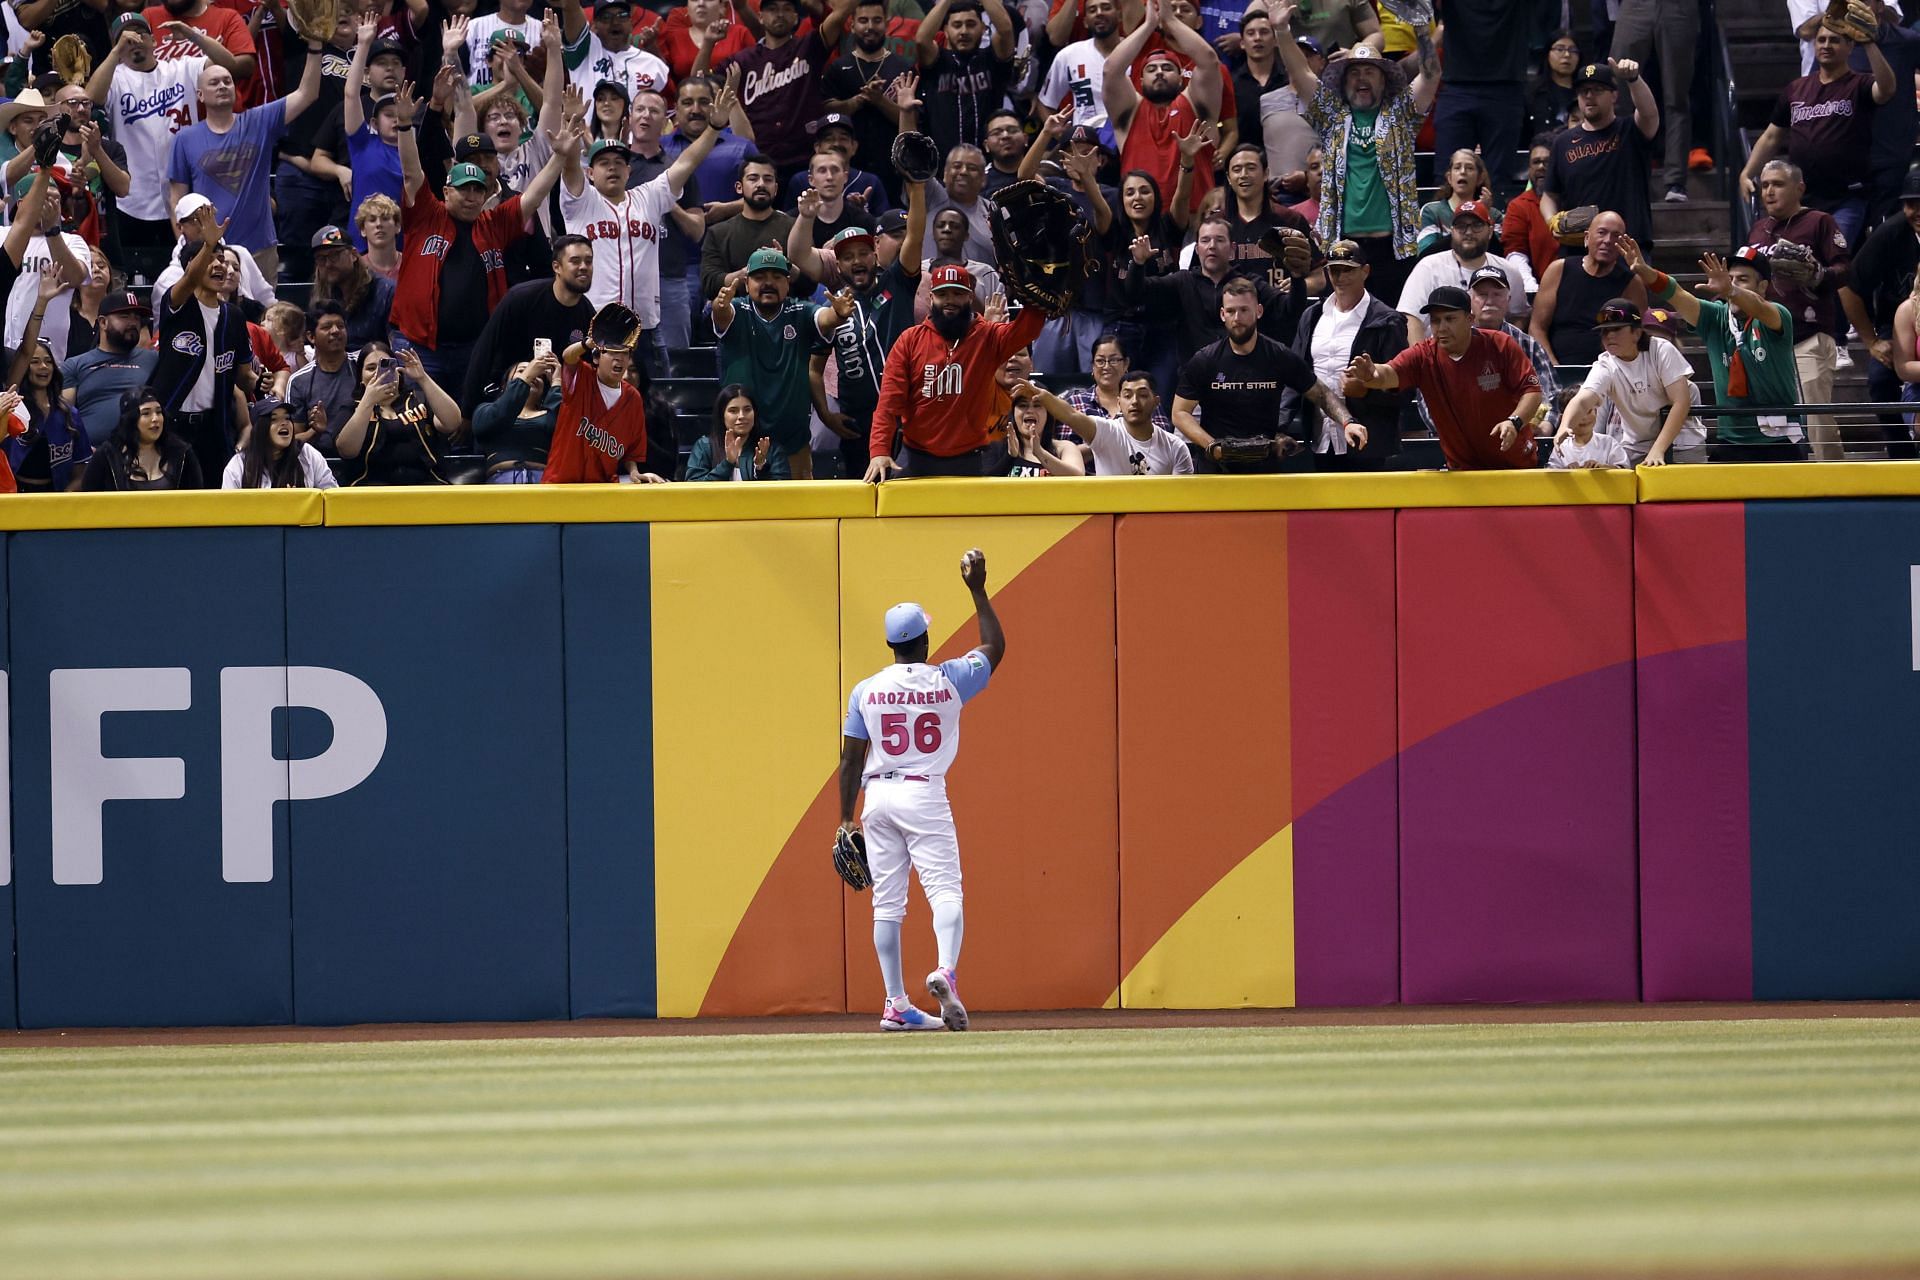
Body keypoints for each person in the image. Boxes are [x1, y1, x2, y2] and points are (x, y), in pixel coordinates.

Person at [837, 548, 1005, 1033]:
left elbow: (850, 759)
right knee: (945, 890)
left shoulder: (865, 690)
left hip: (877, 797)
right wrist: (977, 589)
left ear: (892, 645)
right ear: (926, 639)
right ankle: (945, 970)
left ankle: (895, 1003)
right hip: (923, 792)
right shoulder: (948, 679)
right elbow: (995, 647)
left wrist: (847, 817)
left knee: (887, 904)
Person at [392, 82, 569, 389]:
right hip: (420, 345)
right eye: (464, 190)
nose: (472, 197)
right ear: (447, 191)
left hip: (474, 348)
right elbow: (411, 172)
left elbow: (534, 196)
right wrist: (406, 126)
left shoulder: (492, 223)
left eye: (478, 190)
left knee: (465, 422)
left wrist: (560, 158)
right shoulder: (426, 215)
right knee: (418, 421)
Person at [560, 79, 740, 367]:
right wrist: (572, 120)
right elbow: (569, 166)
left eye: (619, 162)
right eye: (604, 163)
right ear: (590, 172)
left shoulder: (649, 197)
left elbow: (686, 162)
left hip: (646, 327)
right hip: (595, 323)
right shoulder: (581, 202)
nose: (612, 168)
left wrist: (714, 128)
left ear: (629, 170)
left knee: (655, 404)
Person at [1273, 0, 1439, 305]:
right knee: (1348, 327)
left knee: (1395, 327)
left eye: (1370, 72)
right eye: (1355, 72)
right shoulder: (1331, 115)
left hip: (1394, 247)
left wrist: (1421, 29)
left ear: (1383, 79)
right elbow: (1300, 73)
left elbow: (1430, 75)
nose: (1362, 78)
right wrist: (1282, 30)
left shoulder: (1401, 114)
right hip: (1344, 245)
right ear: (1344, 80)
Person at [166, 24, 326, 283]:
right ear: (200, 95)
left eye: (227, 81)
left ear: (236, 89)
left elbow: (307, 94)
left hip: (259, 248)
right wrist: (187, 246)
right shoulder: (185, 138)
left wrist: (316, 46)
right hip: (210, 250)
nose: (222, 86)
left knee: (262, 321)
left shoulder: (259, 122)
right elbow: (176, 200)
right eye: (214, 82)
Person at [1621, 239, 1807, 462]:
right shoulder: (1716, 317)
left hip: (1780, 441)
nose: (1733, 284)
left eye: (1743, 280)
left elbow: (1758, 307)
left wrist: (1731, 290)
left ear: (1763, 287)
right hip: (1731, 441)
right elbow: (1677, 295)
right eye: (1730, 279)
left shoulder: (1777, 314)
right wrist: (1647, 272)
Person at [86, 12, 234, 281]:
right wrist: (115, 52)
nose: (134, 41)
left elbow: (229, 64)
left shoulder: (181, 69)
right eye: (125, 38)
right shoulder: (116, 79)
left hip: (186, 192)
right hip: (134, 199)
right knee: (139, 278)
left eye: (140, 34)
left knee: (191, 270)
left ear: (154, 41)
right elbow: (90, 98)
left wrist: (192, 34)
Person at [868, 266, 1047, 479]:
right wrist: (879, 451)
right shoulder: (909, 341)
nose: (950, 300)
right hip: (916, 455)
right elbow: (888, 403)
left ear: (970, 297)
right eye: (942, 294)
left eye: (958, 293)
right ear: (931, 297)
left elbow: (1029, 329)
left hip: (970, 457)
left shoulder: (987, 336)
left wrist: (1038, 283)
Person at [1345, 285, 1543, 471]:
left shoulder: (1500, 345)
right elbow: (1388, 374)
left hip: (1516, 465)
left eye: (1450, 319)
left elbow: (1532, 391)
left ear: (1470, 319)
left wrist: (1514, 422)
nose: (1441, 328)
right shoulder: (1423, 355)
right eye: (1435, 320)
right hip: (1461, 472)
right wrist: (1371, 375)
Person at [1740, 14, 1895, 250]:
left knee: (1829, 258)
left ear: (1849, 46)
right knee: (1796, 263)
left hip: (1847, 197)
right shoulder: (1796, 89)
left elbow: (1886, 89)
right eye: (1821, 40)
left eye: (1834, 40)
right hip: (1801, 198)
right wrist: (1746, 173)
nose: (1826, 45)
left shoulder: (1859, 84)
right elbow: (1772, 136)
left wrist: (1869, 43)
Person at [1171, 276, 1355, 472]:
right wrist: (1212, 446)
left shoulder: (1279, 355)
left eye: (1244, 310)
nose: (1237, 318)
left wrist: (1348, 422)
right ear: (1222, 314)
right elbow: (1179, 413)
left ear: (1258, 311)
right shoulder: (1205, 360)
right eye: (1231, 311)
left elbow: (1321, 393)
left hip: (1264, 471)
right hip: (1215, 470)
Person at [808, 187, 926, 481]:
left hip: (907, 409)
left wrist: (918, 187)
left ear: (875, 253)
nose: (857, 260)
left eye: (863, 253)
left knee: (908, 489)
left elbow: (915, 235)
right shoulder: (831, 306)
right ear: (839, 264)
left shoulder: (897, 281)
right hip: (858, 421)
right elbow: (813, 368)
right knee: (864, 494)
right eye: (848, 256)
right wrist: (826, 416)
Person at [1747, 159, 1852, 461]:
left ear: (1799, 188)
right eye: (1765, 185)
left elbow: (1846, 269)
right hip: (1767, 340)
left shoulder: (1819, 221)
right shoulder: (1758, 229)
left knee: (1815, 420)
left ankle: (1834, 485)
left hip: (1808, 335)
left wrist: (1819, 274)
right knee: (1773, 422)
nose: (1768, 191)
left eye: (1777, 184)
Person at [153, 197, 254, 480]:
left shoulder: (233, 316)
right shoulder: (177, 303)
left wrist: (260, 381)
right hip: (172, 422)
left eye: (222, 260)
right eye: (211, 260)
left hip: (215, 424)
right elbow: (186, 281)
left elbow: (244, 378)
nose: (219, 265)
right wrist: (208, 244)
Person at [712, 248, 830, 479]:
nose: (768, 283)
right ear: (747, 283)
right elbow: (722, 314)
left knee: (799, 512)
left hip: (792, 444)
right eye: (760, 277)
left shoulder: (802, 310)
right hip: (741, 444)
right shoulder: (737, 308)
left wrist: (838, 313)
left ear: (788, 283)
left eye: (776, 277)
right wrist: (719, 305)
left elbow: (825, 318)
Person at [1289, 238, 1405, 470]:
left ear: (1365, 271)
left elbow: (1404, 386)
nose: (1340, 277)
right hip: (1320, 438)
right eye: (1334, 270)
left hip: (1369, 442)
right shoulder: (1312, 316)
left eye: (1347, 270)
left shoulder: (1388, 320)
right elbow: (1295, 373)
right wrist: (1282, 427)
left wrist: (1366, 392)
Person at [705, 0, 848, 184]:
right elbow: (699, 80)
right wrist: (708, 43)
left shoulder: (810, 46)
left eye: (787, 8)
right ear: (760, 17)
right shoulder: (743, 59)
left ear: (796, 17)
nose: (779, 14)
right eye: (772, 9)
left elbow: (840, 15)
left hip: (805, 157)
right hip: (759, 159)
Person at [1105, 1, 1219, 219]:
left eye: (1167, 68)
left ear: (1180, 80)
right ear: (1139, 79)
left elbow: (1209, 61)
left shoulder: (1195, 105)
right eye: (1151, 69)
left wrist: (1170, 20)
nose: (1159, 72)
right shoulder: (1129, 111)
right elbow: (1111, 70)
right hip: (1143, 222)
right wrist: (1148, 25)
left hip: (1197, 220)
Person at [1556, 298, 1704, 465]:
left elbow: (1681, 402)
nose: (1609, 335)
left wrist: (1658, 449)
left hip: (1683, 443)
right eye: (1604, 331)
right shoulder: (1605, 364)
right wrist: (1564, 426)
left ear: (1637, 333)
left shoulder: (1661, 350)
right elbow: (1582, 400)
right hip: (1637, 446)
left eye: (1616, 329)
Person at [462, 234, 598, 416]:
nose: (583, 267)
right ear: (556, 267)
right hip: (505, 399)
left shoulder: (588, 315)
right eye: (575, 261)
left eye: (588, 261)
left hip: (554, 407)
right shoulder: (521, 298)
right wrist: (468, 411)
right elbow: (484, 351)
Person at [1840, 166, 1920, 455]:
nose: (1918, 211)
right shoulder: (1891, 233)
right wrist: (1871, 340)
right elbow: (1847, 286)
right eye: (1912, 204)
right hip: (1898, 324)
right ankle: (1900, 453)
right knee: (1880, 379)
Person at [1540, 60, 1660, 250]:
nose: (1589, 96)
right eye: (1583, 91)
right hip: (1580, 248)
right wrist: (1551, 221)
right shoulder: (1562, 142)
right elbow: (1549, 194)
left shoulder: (1629, 130)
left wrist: (1633, 79)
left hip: (1628, 246)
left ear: (1614, 95)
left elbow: (1649, 113)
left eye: (1597, 89)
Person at [540, 321, 668, 484]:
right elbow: (568, 357)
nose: (619, 359)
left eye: (624, 354)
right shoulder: (582, 377)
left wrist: (634, 472)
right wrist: (588, 342)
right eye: (612, 353)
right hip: (560, 485)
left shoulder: (633, 397)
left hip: (602, 488)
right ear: (596, 358)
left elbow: (632, 451)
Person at [821, 0, 915, 201]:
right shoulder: (838, 68)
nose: (870, 27)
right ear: (852, 25)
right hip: (847, 168)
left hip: (893, 167)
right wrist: (858, 100)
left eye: (877, 20)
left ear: (886, 24)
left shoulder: (903, 67)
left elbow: (913, 123)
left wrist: (880, 101)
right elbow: (826, 111)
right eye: (863, 20)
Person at [1396, 201, 1527, 343]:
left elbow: (1519, 315)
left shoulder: (1509, 270)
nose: (1469, 232)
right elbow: (1411, 319)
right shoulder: (1428, 267)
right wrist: (1421, 362)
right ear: (1452, 231)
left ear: (1490, 232)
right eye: (1461, 226)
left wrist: (1509, 347)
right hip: (1439, 355)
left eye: (1476, 225)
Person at [332, 343, 462, 485]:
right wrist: (368, 401)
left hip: (426, 486)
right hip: (370, 490)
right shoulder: (352, 408)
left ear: (398, 372)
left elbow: (452, 423)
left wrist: (422, 378)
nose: (378, 373)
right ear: (361, 378)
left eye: (387, 365)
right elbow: (347, 450)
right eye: (370, 368)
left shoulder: (418, 399)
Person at [1531, 210, 1647, 365]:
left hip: (1609, 372)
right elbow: (1537, 328)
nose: (1607, 240)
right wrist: (1554, 369)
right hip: (1556, 368)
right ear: (1587, 238)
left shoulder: (1632, 283)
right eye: (1601, 233)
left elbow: (1636, 336)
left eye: (1616, 236)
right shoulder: (1559, 269)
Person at [1020, 372, 1193, 474]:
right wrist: (1043, 396)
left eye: (1142, 395)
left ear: (1156, 402)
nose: (1134, 401)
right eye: (1127, 395)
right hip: (1108, 520)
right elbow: (1070, 415)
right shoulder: (1105, 432)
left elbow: (1183, 498)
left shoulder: (1175, 447)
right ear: (1118, 403)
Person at [1, 167, 91, 357]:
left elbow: (75, 278)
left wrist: (52, 231)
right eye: (44, 198)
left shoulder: (71, 241)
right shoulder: (3, 235)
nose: (52, 204)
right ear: (22, 203)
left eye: (56, 199)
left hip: (48, 356)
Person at [1462, 265, 1560, 435]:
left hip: (1520, 434)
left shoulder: (1528, 345)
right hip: (1462, 435)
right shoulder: (1453, 341)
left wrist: (1545, 428)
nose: (1490, 300)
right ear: (1470, 300)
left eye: (1497, 294)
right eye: (1482, 294)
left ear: (1508, 299)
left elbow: (1551, 397)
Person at [915, 0, 1017, 161]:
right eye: (957, 25)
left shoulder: (992, 60)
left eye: (971, 24)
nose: (964, 31)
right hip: (942, 166)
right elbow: (921, 39)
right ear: (946, 31)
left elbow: (1005, 30)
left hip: (989, 165)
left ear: (983, 29)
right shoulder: (937, 62)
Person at [63, 288, 158, 441]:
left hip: (143, 454)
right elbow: (63, 419)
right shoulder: (75, 364)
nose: (133, 323)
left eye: (136, 317)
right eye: (124, 316)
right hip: (92, 456)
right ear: (103, 322)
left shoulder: (154, 360)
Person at [700, 154, 795, 299]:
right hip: (734, 311)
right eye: (753, 179)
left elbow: (808, 283)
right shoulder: (718, 233)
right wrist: (747, 273)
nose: (761, 184)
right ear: (739, 187)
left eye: (768, 179)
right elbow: (710, 284)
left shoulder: (793, 227)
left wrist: (784, 264)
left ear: (775, 189)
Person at [3, 337, 91, 490]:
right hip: (14, 497)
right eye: (35, 362)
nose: (43, 366)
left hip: (55, 498)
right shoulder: (13, 410)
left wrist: (65, 498)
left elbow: (81, 468)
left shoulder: (69, 413)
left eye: (48, 361)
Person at [80, 386, 205, 489]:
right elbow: (89, 503)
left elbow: (197, 501)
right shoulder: (107, 456)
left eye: (159, 412)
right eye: (146, 413)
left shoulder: (182, 453)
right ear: (130, 420)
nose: (155, 418)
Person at [283, 300, 357, 455]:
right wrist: (315, 431)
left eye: (341, 326)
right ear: (311, 336)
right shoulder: (298, 381)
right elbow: (291, 441)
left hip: (362, 457)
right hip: (316, 461)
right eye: (327, 327)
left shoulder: (362, 367)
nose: (336, 331)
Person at [308, 225, 396, 352]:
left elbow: (399, 348)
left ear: (354, 255)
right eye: (321, 259)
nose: (328, 264)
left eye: (334, 255)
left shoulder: (385, 292)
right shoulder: (321, 297)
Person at [1040, 0, 1123, 131]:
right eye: (1092, 10)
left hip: (1129, 137)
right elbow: (1045, 103)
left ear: (1120, 15)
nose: (1099, 13)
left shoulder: (1135, 50)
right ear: (1085, 22)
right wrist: (1062, 136)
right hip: (1086, 142)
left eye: (1106, 8)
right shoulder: (1069, 55)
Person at [221, 396, 338, 489]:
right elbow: (227, 511)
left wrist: (301, 502)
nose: (284, 423)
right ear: (260, 428)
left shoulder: (307, 455)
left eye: (287, 418)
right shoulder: (240, 464)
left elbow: (332, 499)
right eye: (274, 419)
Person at [686, 383, 792, 480]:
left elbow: (782, 494)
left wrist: (761, 468)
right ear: (722, 415)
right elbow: (694, 490)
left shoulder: (772, 450)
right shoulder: (704, 447)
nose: (741, 416)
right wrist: (727, 464)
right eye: (733, 411)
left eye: (747, 410)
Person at [1502, 134, 1564, 283]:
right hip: (1538, 288)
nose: (1541, 167)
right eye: (1536, 162)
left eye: (1547, 162)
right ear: (1529, 168)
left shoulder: (1575, 198)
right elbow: (1515, 252)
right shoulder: (1519, 206)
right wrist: (1531, 287)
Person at [1416, 150, 1498, 256]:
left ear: (1479, 178)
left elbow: (1499, 256)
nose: (1463, 172)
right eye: (1457, 167)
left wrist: (1484, 216)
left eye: (1469, 168)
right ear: (1449, 178)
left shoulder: (1493, 214)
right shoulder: (1431, 211)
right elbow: (1425, 253)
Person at [1529, 29, 1581, 140]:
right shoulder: (1532, 92)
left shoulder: (1585, 93)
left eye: (1573, 50)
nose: (1567, 55)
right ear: (1547, 54)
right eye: (1560, 49)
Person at [1548, 408, 1632, 468]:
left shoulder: (1608, 443)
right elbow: (1550, 477)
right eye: (1577, 413)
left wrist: (1603, 468)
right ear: (1564, 418)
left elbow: (1625, 470)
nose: (1584, 418)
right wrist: (1565, 472)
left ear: (1595, 412)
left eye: (1588, 411)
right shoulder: (1561, 447)